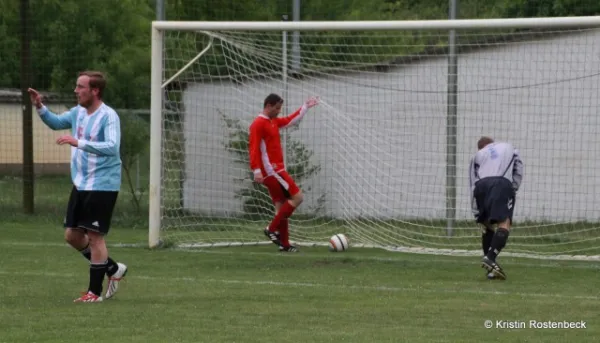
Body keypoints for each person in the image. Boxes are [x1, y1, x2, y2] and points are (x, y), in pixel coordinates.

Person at [28, 71, 128, 302]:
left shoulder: (108, 116)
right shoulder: (77, 113)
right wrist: (40, 107)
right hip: (82, 183)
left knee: (95, 237)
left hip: (103, 183)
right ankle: (113, 269)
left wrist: (78, 142)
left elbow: (112, 147)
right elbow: (55, 123)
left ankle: (94, 293)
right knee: (72, 235)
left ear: (95, 91)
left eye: (81, 87)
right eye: (76, 86)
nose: (76, 90)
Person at [248, 93, 319, 252]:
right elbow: (253, 148)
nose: (279, 111)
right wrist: (257, 170)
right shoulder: (258, 124)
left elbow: (290, 120)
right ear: (268, 106)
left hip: (275, 169)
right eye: (277, 108)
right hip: (272, 170)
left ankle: (284, 244)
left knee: (281, 206)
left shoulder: (272, 121)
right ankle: (271, 229)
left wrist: (305, 107)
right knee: (297, 197)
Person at [469, 136, 523, 280]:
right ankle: (490, 257)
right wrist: (513, 188)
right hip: (500, 183)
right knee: (504, 223)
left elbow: (472, 182)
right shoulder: (509, 146)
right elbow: (518, 167)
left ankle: (491, 270)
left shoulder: (477, 155)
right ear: (492, 143)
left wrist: (476, 211)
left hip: (481, 187)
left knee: (487, 226)